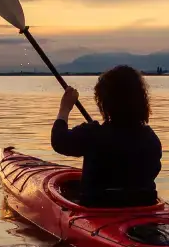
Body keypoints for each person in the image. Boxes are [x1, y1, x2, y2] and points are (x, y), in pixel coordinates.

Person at [50, 65, 162, 207]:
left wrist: (65, 108)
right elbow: (154, 170)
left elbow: (59, 141)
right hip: (142, 206)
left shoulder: (92, 135)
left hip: (97, 208)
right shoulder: (151, 140)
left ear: (104, 102)